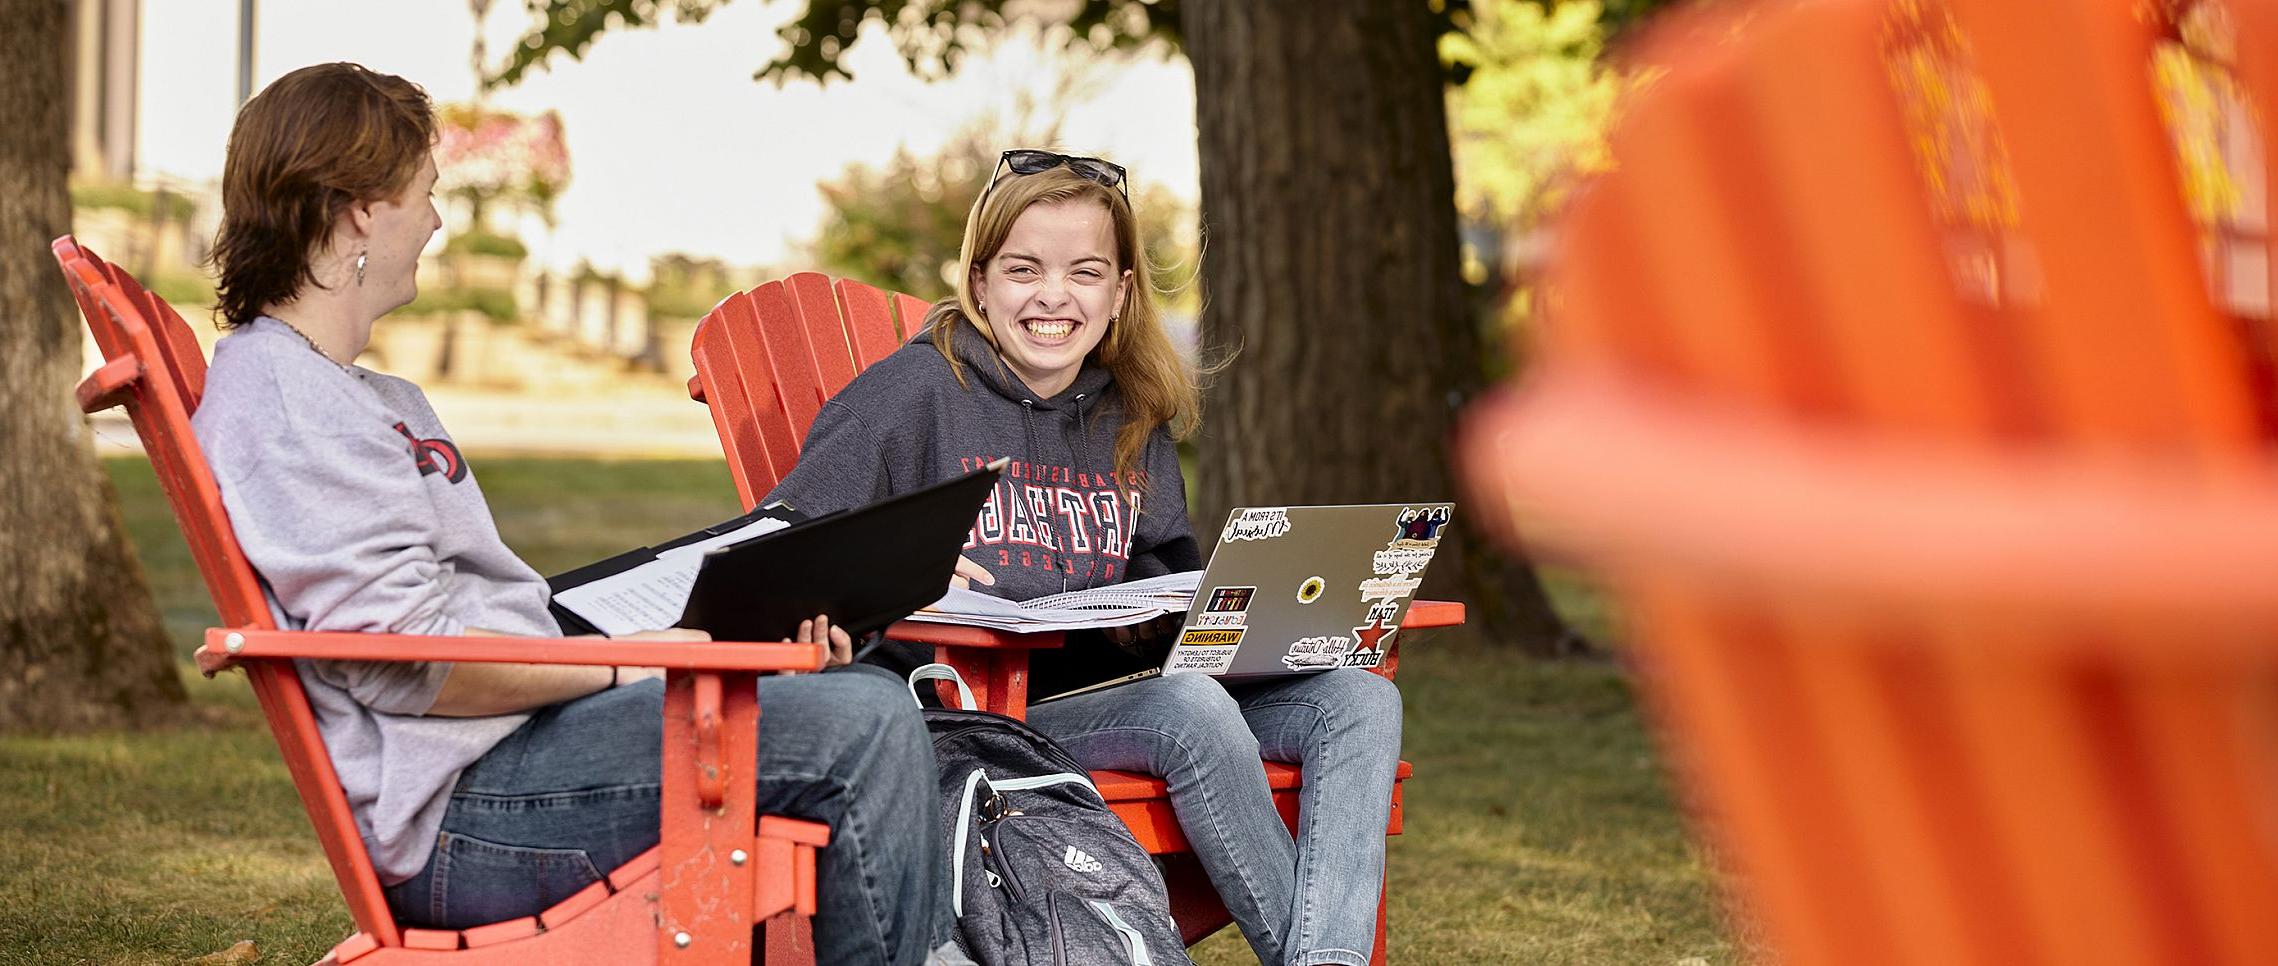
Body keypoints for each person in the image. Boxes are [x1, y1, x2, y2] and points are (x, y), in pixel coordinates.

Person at [193, 62, 953, 965]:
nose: (435, 222)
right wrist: (624, 672)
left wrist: (714, 633)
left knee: (843, 688)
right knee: (860, 728)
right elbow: (412, 661)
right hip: (462, 812)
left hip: (516, 753)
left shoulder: (352, 390)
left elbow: (448, 622)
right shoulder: (284, 397)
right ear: (361, 206)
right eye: (425, 194)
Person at [766, 149, 1406, 966]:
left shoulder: (1129, 414)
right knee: (1191, 713)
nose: (1053, 297)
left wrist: (1196, 613)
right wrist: (889, 571)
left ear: (1121, 292)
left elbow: (1163, 570)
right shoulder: (911, 396)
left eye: (1086, 272)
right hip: (962, 719)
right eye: (1024, 269)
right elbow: (778, 549)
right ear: (981, 278)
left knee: (1358, 701)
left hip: (1095, 704)